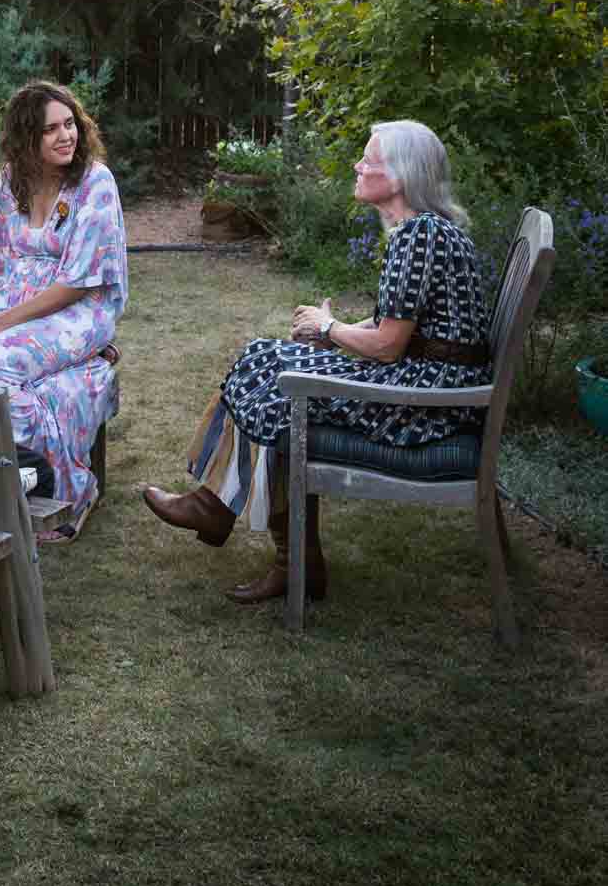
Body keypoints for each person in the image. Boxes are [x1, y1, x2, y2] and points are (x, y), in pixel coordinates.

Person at [142, 119, 493, 603]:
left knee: (282, 383)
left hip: (427, 403)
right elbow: (399, 330)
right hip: (432, 383)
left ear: (400, 176)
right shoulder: (426, 231)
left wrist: (329, 331)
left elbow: (389, 345)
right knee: (265, 355)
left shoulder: (418, 235)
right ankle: (224, 513)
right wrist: (334, 329)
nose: (358, 165)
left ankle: (269, 545)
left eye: (368, 160)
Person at [0, 81, 127, 537]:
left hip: (78, 309)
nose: (66, 135)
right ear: (27, 137)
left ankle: (57, 489)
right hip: (13, 296)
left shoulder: (95, 183)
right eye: (51, 129)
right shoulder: (11, 179)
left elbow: (75, 283)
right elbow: (0, 263)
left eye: (70, 124)